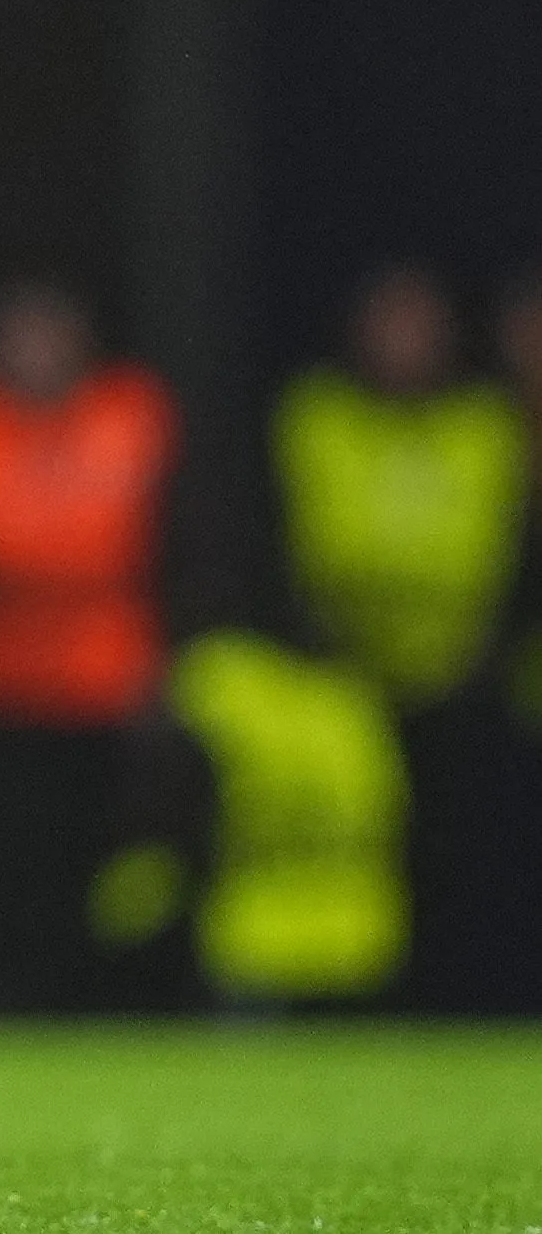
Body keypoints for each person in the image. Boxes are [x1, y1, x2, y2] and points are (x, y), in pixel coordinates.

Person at [0, 281, 178, 1010]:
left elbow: (135, 541)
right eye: (21, 335)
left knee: (93, 875)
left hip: (97, 690)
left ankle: (90, 1012)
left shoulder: (129, 411)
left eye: (50, 333)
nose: (37, 353)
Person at [271, 265, 530, 1012]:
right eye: (387, 323)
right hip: (345, 685)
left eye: (417, 324)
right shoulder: (318, 416)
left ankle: (464, 1006)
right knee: (355, 862)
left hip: (463, 683)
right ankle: (349, 1010)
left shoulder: (487, 423)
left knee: (464, 865)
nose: (402, 342)